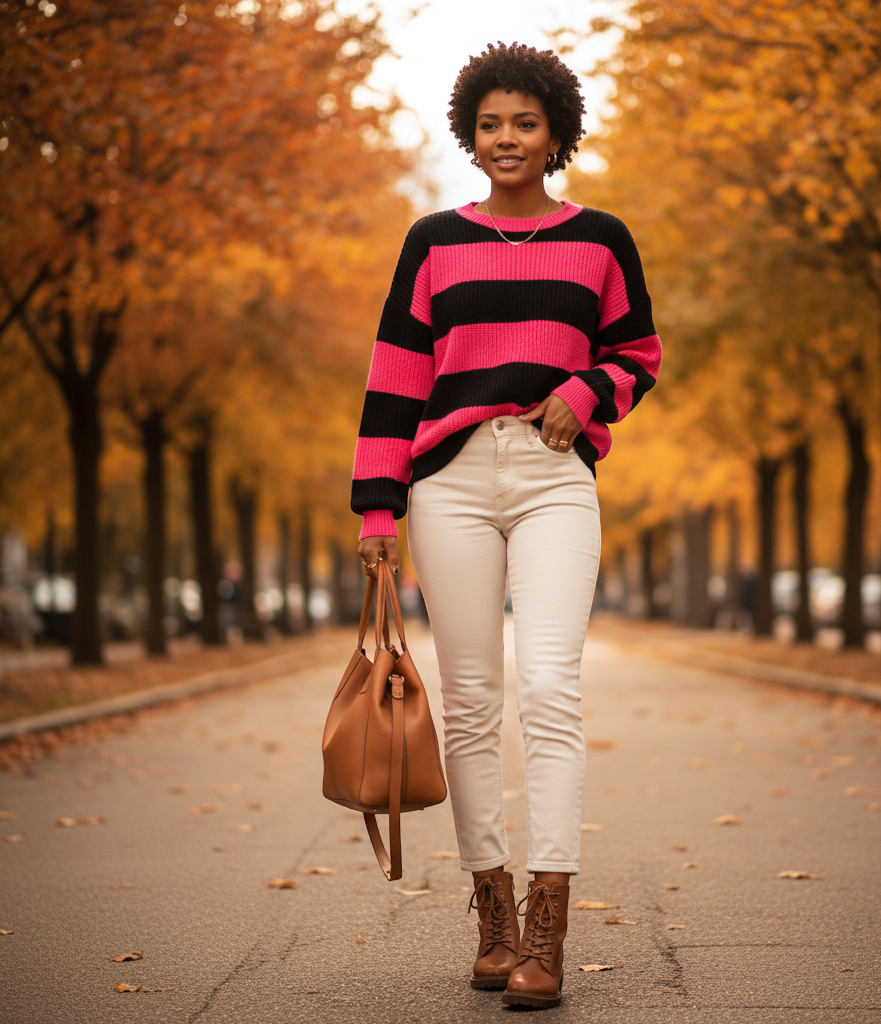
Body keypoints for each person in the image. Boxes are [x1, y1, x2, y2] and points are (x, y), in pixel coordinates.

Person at [352, 41, 660, 1009]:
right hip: (447, 482)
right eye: (490, 123)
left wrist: (587, 389)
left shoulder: (602, 237)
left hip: (550, 476)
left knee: (551, 686)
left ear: (556, 132)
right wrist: (376, 501)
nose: (506, 138)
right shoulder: (432, 240)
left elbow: (639, 350)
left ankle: (546, 926)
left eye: (524, 122)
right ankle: (489, 912)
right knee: (474, 698)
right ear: (469, 135)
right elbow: (396, 374)